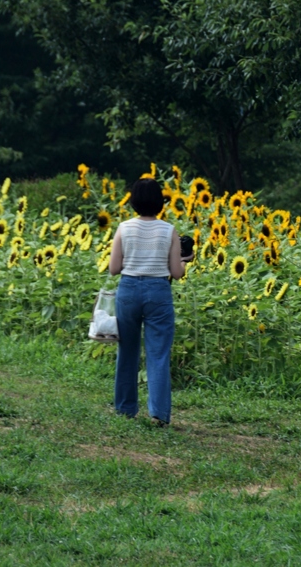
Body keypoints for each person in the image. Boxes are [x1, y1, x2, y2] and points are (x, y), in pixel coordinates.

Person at [108, 177, 192, 426]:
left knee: (127, 352)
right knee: (158, 354)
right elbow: (176, 273)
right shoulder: (169, 230)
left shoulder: (124, 228)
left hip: (129, 290)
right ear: (160, 202)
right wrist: (186, 260)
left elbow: (113, 268)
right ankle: (158, 414)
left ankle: (124, 409)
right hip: (158, 292)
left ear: (133, 201)